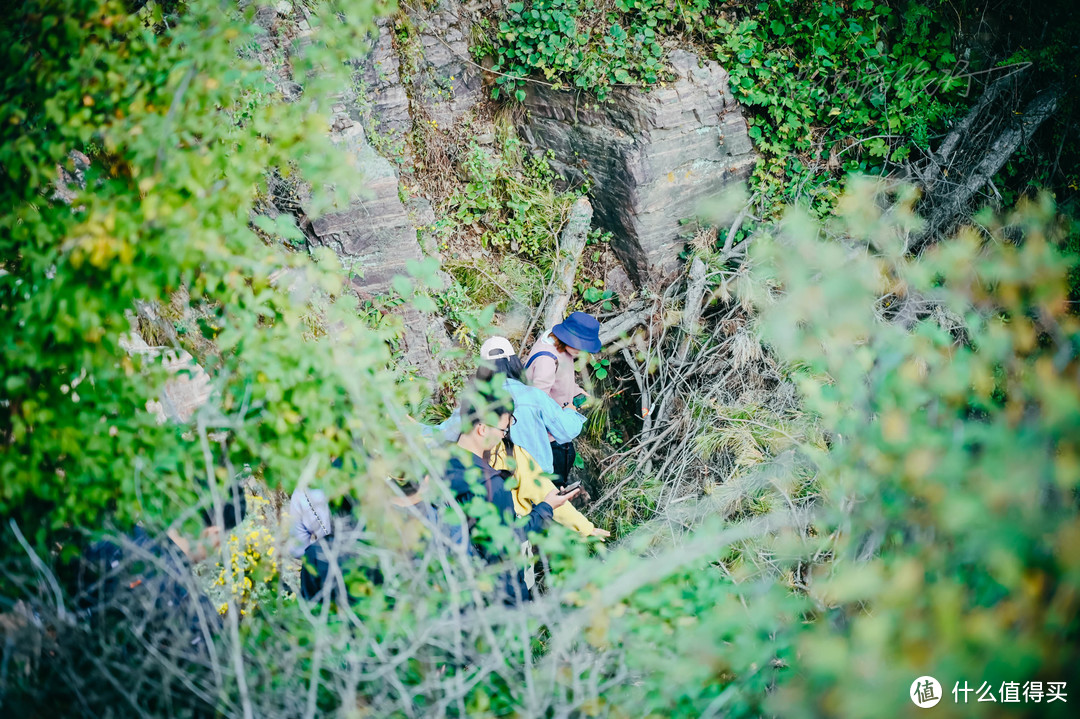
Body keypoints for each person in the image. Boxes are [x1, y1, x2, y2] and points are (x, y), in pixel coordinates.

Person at [442, 381, 581, 605]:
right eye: (503, 429)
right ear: (482, 428)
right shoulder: (492, 485)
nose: (504, 435)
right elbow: (510, 541)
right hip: (499, 587)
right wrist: (547, 507)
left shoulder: (441, 460)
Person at [525, 312, 603, 485]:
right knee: (554, 479)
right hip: (547, 436)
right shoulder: (546, 359)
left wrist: (576, 392)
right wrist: (567, 412)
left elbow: (560, 379)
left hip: (557, 428)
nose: (581, 350)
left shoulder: (559, 345)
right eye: (579, 345)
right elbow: (538, 402)